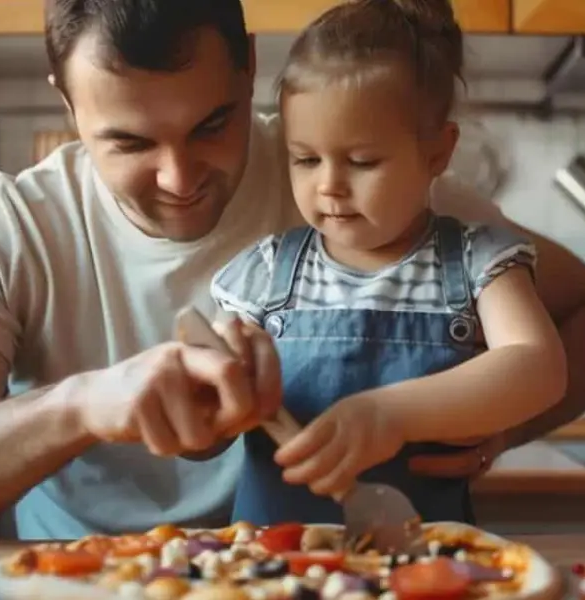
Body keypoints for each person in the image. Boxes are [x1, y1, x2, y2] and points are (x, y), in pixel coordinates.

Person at [0, 0, 585, 540]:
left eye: (214, 124)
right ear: (68, 105)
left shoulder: (355, 182)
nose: (179, 177)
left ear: (248, 68)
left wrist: (485, 426)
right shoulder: (11, 227)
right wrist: (80, 405)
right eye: (129, 142)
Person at [211, 0, 566, 526]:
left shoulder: (478, 262)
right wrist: (221, 382)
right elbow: (208, 412)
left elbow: (540, 367)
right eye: (305, 158)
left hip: (424, 568)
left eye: (362, 161)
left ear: (437, 154)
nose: (329, 184)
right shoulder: (263, 275)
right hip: (271, 568)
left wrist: (389, 415)